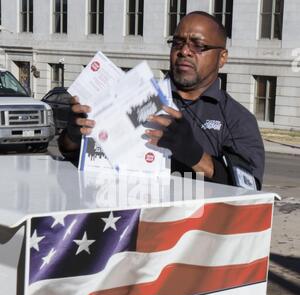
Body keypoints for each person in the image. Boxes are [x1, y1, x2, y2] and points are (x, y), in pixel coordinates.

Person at [59, 11, 265, 189]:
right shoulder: (138, 96)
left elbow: (249, 189)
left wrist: (195, 155)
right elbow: (74, 156)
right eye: (178, 42)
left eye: (198, 45)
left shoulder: (237, 119)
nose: (184, 51)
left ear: (222, 58)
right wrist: (73, 135)